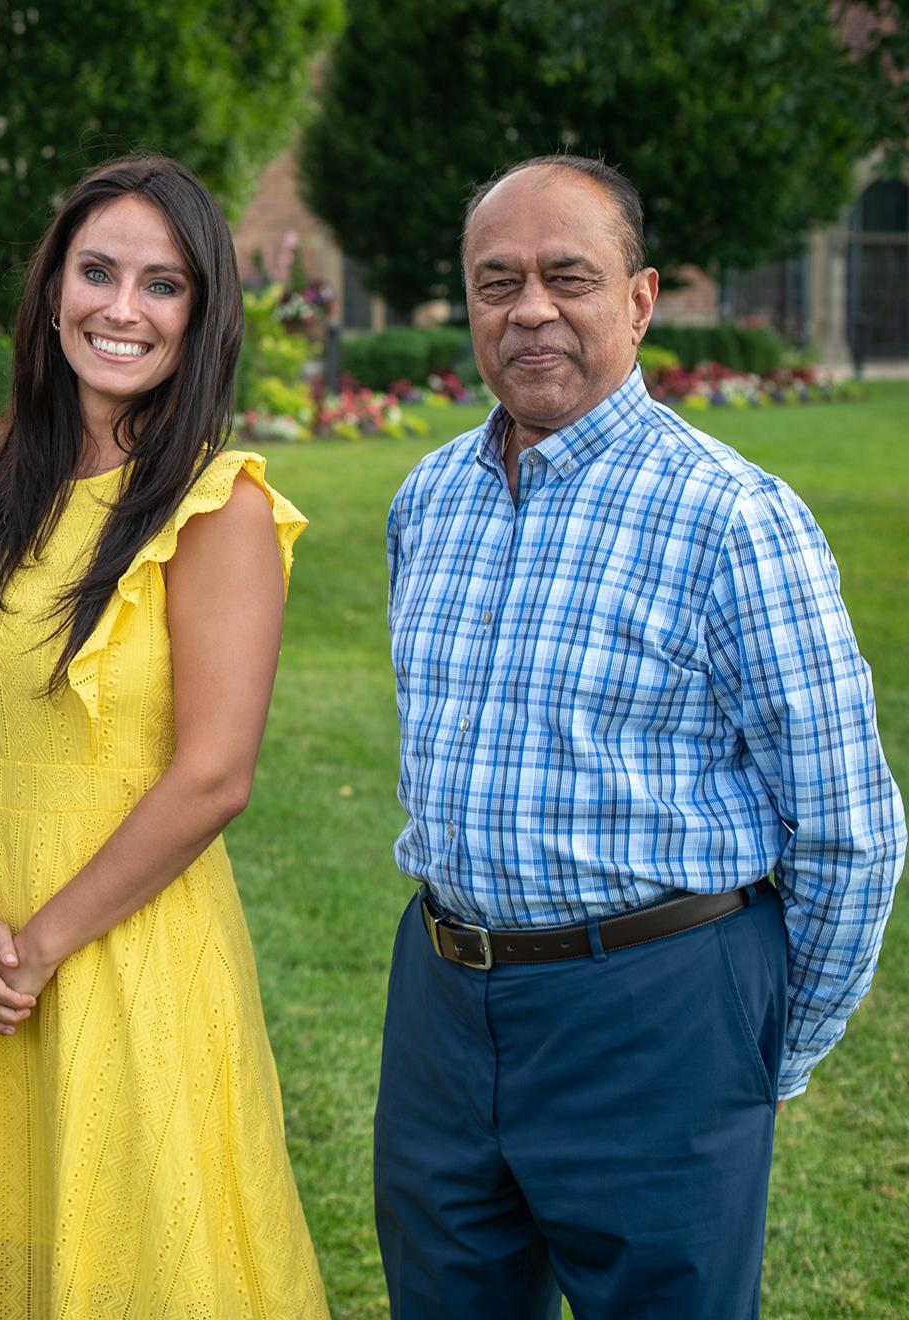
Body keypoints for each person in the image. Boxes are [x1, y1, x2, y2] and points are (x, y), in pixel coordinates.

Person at [378, 155, 906, 1317]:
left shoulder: (732, 517)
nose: (528, 310)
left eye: (568, 276)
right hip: (442, 1008)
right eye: (495, 281)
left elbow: (848, 829)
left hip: (655, 1013)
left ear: (639, 298)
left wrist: (756, 1045)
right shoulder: (428, 500)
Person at [0, 154, 327, 1318]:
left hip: (128, 946)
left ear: (201, 317)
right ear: (52, 293)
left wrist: (41, 946)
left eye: (162, 284)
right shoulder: (2, 496)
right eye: (96, 272)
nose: (121, 309)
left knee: (146, 1255)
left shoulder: (218, 507)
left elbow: (213, 778)